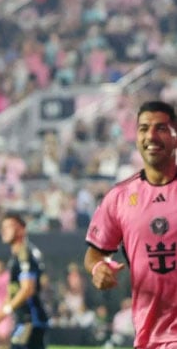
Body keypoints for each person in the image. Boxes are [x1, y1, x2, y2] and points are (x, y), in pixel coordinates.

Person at [84, 100, 177, 349]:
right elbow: (94, 254)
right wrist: (97, 270)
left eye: (161, 128)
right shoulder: (119, 197)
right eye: (144, 128)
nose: (151, 136)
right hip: (150, 337)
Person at [0, 215, 49, 349]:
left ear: (22, 230)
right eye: (2, 227)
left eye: (9, 227)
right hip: (24, 319)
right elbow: (13, 292)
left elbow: (27, 289)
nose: (4, 231)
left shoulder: (25, 254)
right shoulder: (16, 257)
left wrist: (3, 312)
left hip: (31, 319)